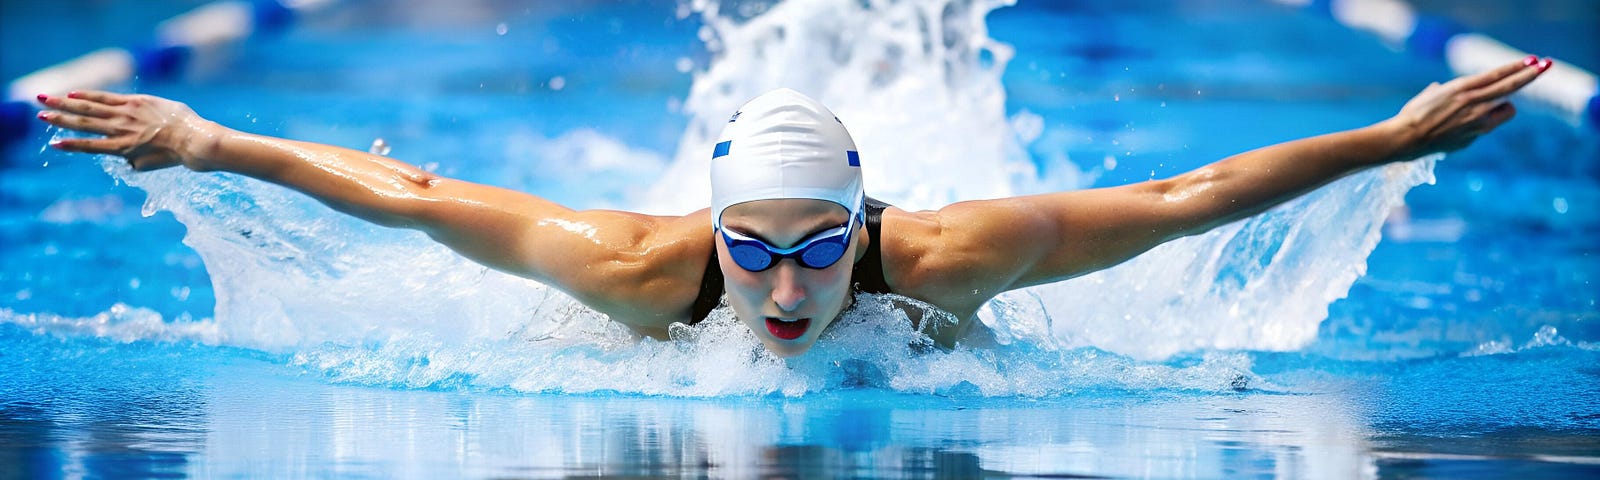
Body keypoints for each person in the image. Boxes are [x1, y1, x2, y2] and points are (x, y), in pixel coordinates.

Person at [33, 56, 1553, 357]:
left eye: (819, 248)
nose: (779, 286)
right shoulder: (634, 269)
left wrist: (1387, 133)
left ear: (867, 220)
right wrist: (210, 135)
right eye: (752, 248)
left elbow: (1188, 192)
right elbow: (413, 197)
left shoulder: (950, 258)